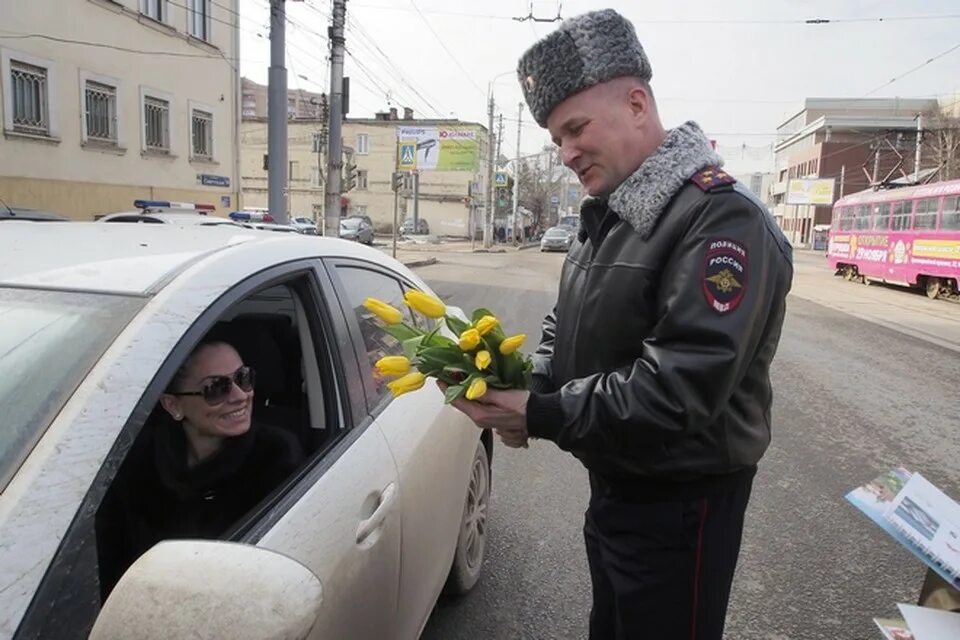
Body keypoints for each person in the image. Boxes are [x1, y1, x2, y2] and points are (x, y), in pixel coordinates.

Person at [446, 9, 793, 640]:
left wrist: (542, 414)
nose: (566, 153)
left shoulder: (718, 220)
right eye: (556, 140)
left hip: (681, 504)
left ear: (637, 104)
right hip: (619, 484)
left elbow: (678, 389)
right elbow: (567, 325)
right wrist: (532, 386)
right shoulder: (612, 210)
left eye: (576, 129)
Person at [96, 334, 304, 598]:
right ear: (173, 405)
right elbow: (109, 565)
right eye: (216, 388)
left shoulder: (277, 458)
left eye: (244, 377)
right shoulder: (136, 466)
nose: (241, 395)